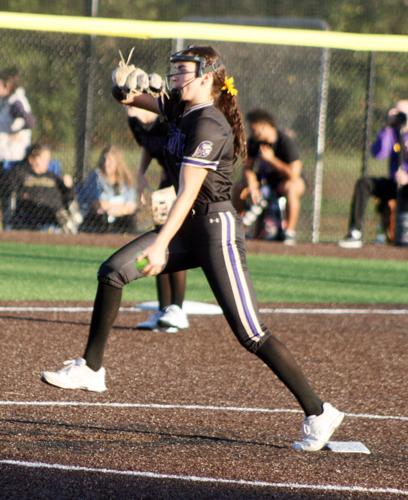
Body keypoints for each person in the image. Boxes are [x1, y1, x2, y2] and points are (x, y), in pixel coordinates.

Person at [41, 45, 344, 452]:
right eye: (176, 71)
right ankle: (92, 368)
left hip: (216, 230)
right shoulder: (181, 109)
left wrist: (163, 243)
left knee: (252, 333)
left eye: (184, 72)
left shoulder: (210, 123)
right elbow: (131, 98)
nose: (176, 77)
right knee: (113, 271)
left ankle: (319, 411)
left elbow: (187, 192)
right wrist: (121, 83)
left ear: (208, 79)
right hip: (192, 226)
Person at [127, 106, 189, 332]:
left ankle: (177, 310)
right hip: (166, 186)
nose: (126, 101)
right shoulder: (135, 122)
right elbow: (147, 147)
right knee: (158, 244)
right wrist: (140, 175)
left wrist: (178, 183)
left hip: (185, 184)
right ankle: (164, 310)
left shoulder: (166, 118)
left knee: (175, 245)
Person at [339, 100, 408, 248]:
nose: (400, 117)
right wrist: (388, 128)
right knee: (365, 183)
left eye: (402, 113)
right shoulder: (392, 132)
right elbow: (379, 153)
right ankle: (355, 232)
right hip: (394, 184)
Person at [233, 109, 305, 245]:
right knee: (239, 187)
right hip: (264, 184)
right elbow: (247, 169)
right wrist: (253, 186)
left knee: (292, 187)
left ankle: (289, 232)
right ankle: (238, 227)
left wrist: (271, 160)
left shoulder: (285, 141)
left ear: (266, 126)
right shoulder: (254, 142)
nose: (253, 133)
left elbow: (294, 174)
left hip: (286, 182)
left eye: (255, 130)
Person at [4, 143, 80, 233]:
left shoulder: (52, 176)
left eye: (48, 159)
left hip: (56, 212)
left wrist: (68, 187)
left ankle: (67, 226)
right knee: (49, 211)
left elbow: (69, 196)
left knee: (66, 213)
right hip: (32, 211)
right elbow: (9, 191)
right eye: (43, 159)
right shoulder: (19, 173)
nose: (47, 162)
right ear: (31, 159)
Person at [77, 145, 137, 234]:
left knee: (130, 219)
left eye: (110, 160)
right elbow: (99, 204)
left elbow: (131, 206)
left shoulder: (125, 180)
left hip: (120, 218)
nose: (106, 163)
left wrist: (115, 210)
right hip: (99, 220)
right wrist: (121, 207)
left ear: (117, 163)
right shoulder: (96, 177)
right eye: (104, 159)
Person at [0, 66, 35, 164]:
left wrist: (15, 134)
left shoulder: (16, 103)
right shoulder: (5, 100)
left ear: (8, 85)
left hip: (12, 156)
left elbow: (31, 122)